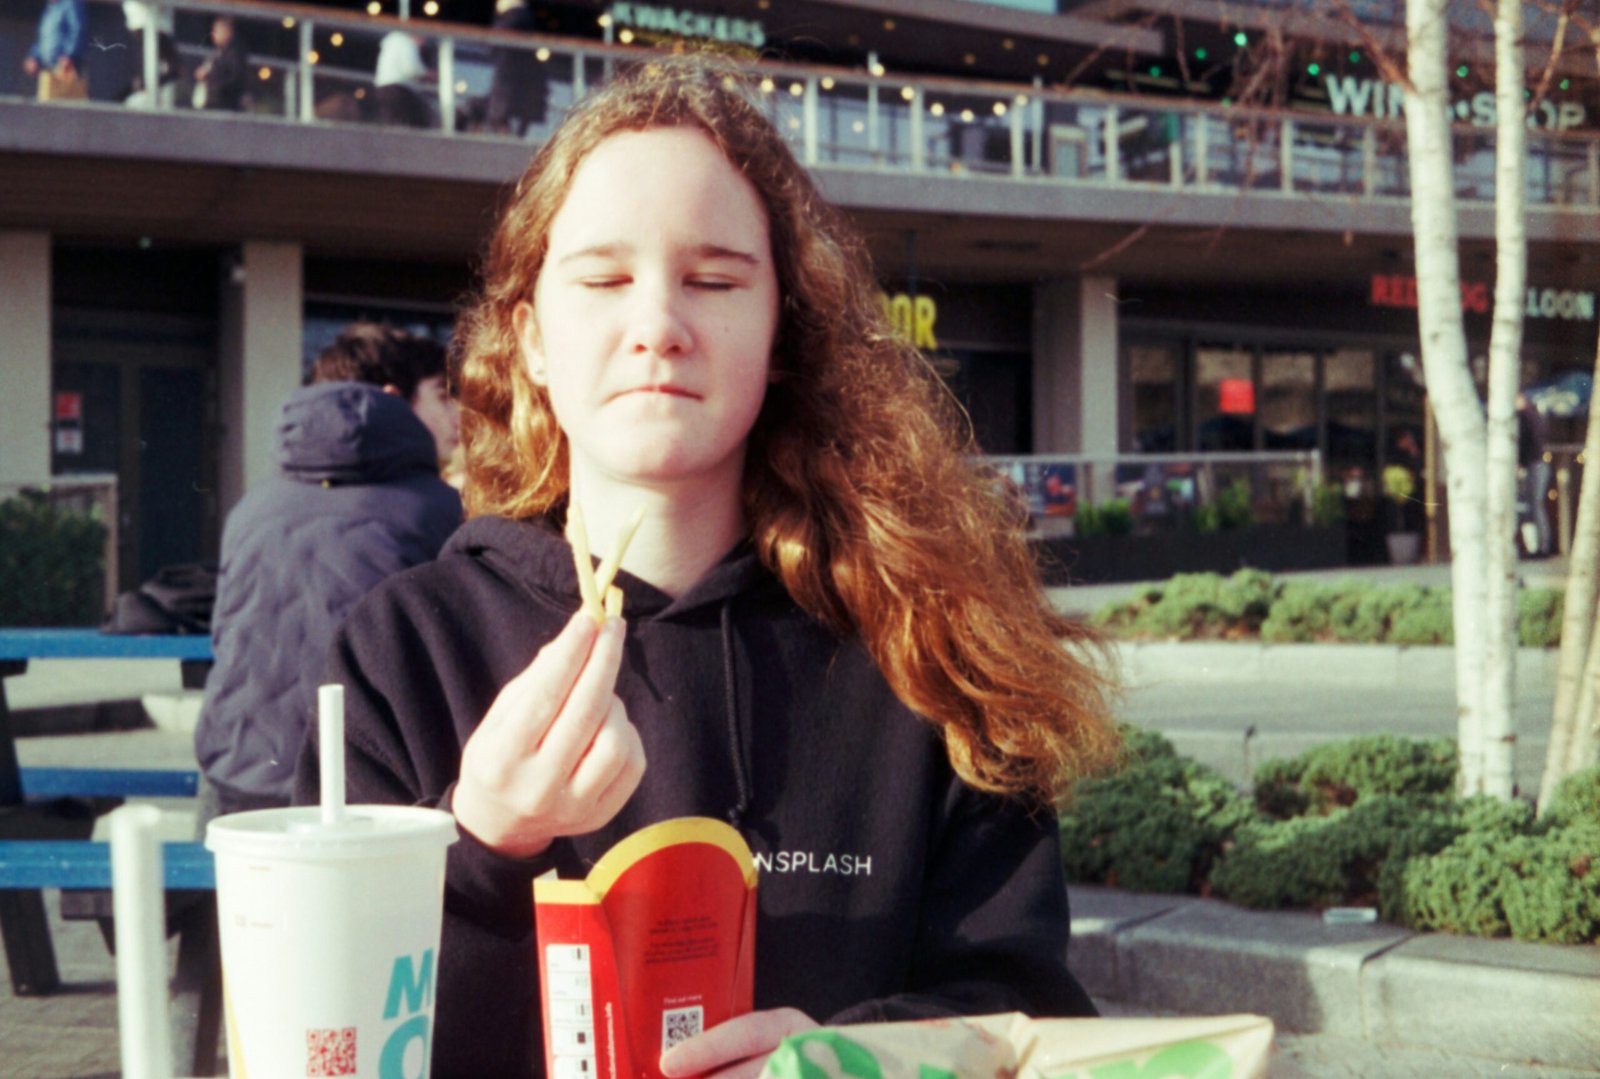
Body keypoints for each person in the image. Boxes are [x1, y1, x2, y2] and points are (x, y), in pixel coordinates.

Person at [294, 57, 1118, 1078]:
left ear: (780, 333)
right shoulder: (400, 649)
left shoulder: (926, 643)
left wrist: (855, 1057)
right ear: (532, 337)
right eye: (601, 279)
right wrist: (478, 850)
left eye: (715, 280)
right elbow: (325, 1036)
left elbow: (1023, 1000)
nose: (658, 328)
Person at [195, 324, 462, 818]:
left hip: (235, 776)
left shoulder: (254, 505)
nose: (457, 416)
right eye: (442, 396)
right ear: (387, 400)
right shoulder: (439, 511)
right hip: (363, 794)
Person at [485, 0, 548, 136]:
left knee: (502, 115)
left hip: (510, 81)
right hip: (518, 82)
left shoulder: (513, 17)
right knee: (514, 118)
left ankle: (508, 137)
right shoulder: (524, 19)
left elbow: (493, 44)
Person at [23, 0, 88, 102]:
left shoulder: (71, 3)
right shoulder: (50, 8)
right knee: (46, 108)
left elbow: (77, 29)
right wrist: (34, 56)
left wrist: (69, 55)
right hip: (50, 70)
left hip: (67, 69)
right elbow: (44, 38)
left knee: (67, 109)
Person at [373, 28, 433, 128]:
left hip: (383, 88)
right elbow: (412, 69)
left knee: (393, 122)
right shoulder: (407, 43)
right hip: (399, 90)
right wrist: (431, 75)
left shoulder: (392, 44)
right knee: (418, 121)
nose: (422, 44)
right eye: (422, 39)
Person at [1517, 391, 1552, 557]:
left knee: (1534, 506)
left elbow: (1528, 443)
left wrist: (1521, 462)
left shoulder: (1526, 416)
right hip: (1535, 463)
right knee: (1534, 506)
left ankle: (1540, 546)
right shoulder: (1534, 415)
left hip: (1533, 464)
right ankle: (1540, 546)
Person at [192, 15, 248, 112]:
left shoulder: (234, 54)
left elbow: (234, 79)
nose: (213, 35)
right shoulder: (219, 53)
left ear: (228, 32)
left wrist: (209, 78)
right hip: (213, 106)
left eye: (217, 31)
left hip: (223, 108)